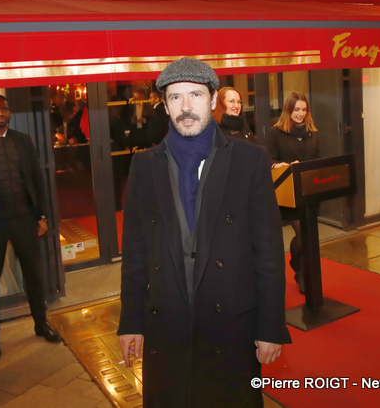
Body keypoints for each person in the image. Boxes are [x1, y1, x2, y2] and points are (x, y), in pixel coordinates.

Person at [117, 57, 291, 407]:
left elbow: (269, 251)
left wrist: (270, 325)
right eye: (176, 97)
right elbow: (135, 252)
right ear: (164, 106)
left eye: (195, 95)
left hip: (230, 322)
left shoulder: (249, 160)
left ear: (213, 100)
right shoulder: (144, 166)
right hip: (167, 321)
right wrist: (131, 321)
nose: (186, 107)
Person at [0, 94, 61, 358]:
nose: (1, 113)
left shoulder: (23, 140)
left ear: (9, 113)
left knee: (34, 273)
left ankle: (41, 324)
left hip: (23, 218)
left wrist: (41, 215)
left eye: (4, 109)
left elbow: (35, 178)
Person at [265, 92, 321, 294]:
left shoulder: (313, 132)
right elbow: (268, 160)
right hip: (288, 194)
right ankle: (301, 272)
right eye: (296, 109)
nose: (300, 113)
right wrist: (282, 166)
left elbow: (317, 158)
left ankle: (299, 267)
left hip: (309, 192)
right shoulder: (275, 133)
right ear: (288, 110)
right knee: (304, 233)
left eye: (304, 110)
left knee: (306, 235)